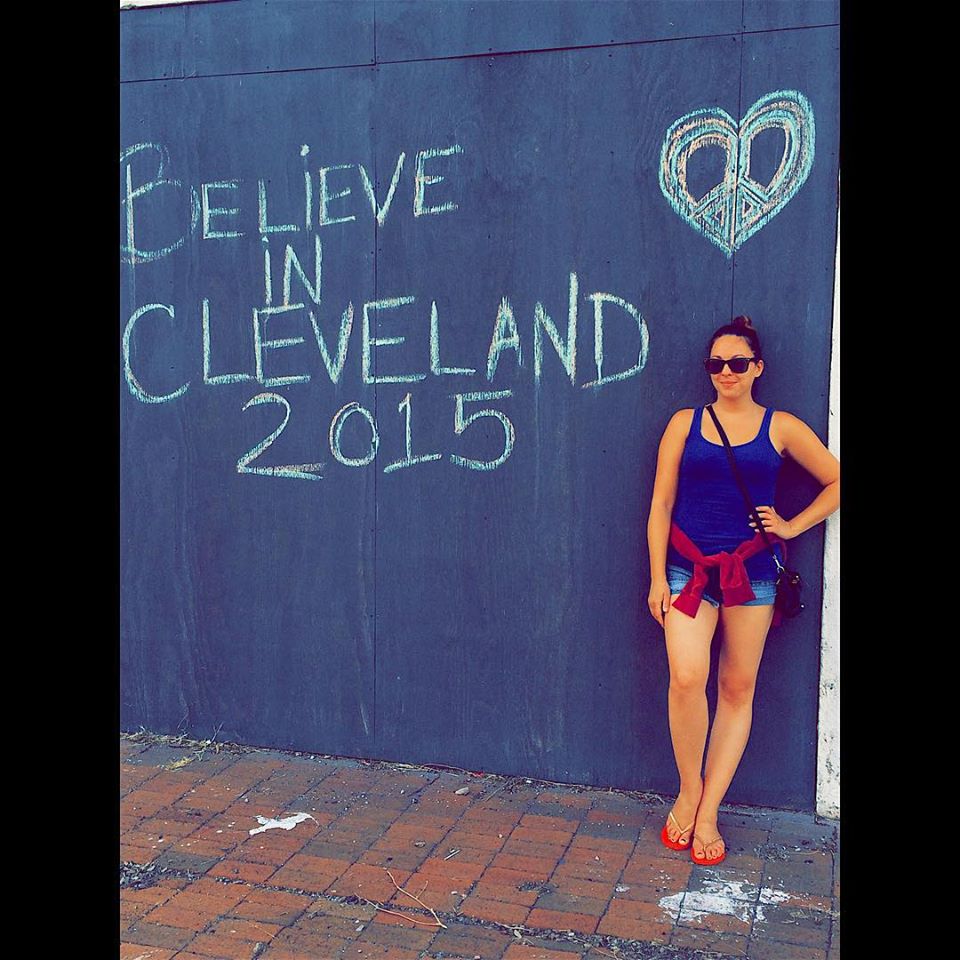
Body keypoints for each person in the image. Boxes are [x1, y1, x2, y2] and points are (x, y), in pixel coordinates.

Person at [646, 315, 839, 866]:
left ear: (757, 368)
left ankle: (708, 812)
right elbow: (661, 503)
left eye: (737, 363)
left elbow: (836, 480)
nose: (725, 372)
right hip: (687, 570)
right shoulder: (684, 423)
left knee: (736, 687)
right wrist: (657, 576)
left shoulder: (781, 427)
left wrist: (792, 526)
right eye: (716, 364)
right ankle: (689, 789)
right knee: (687, 677)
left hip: (753, 574)